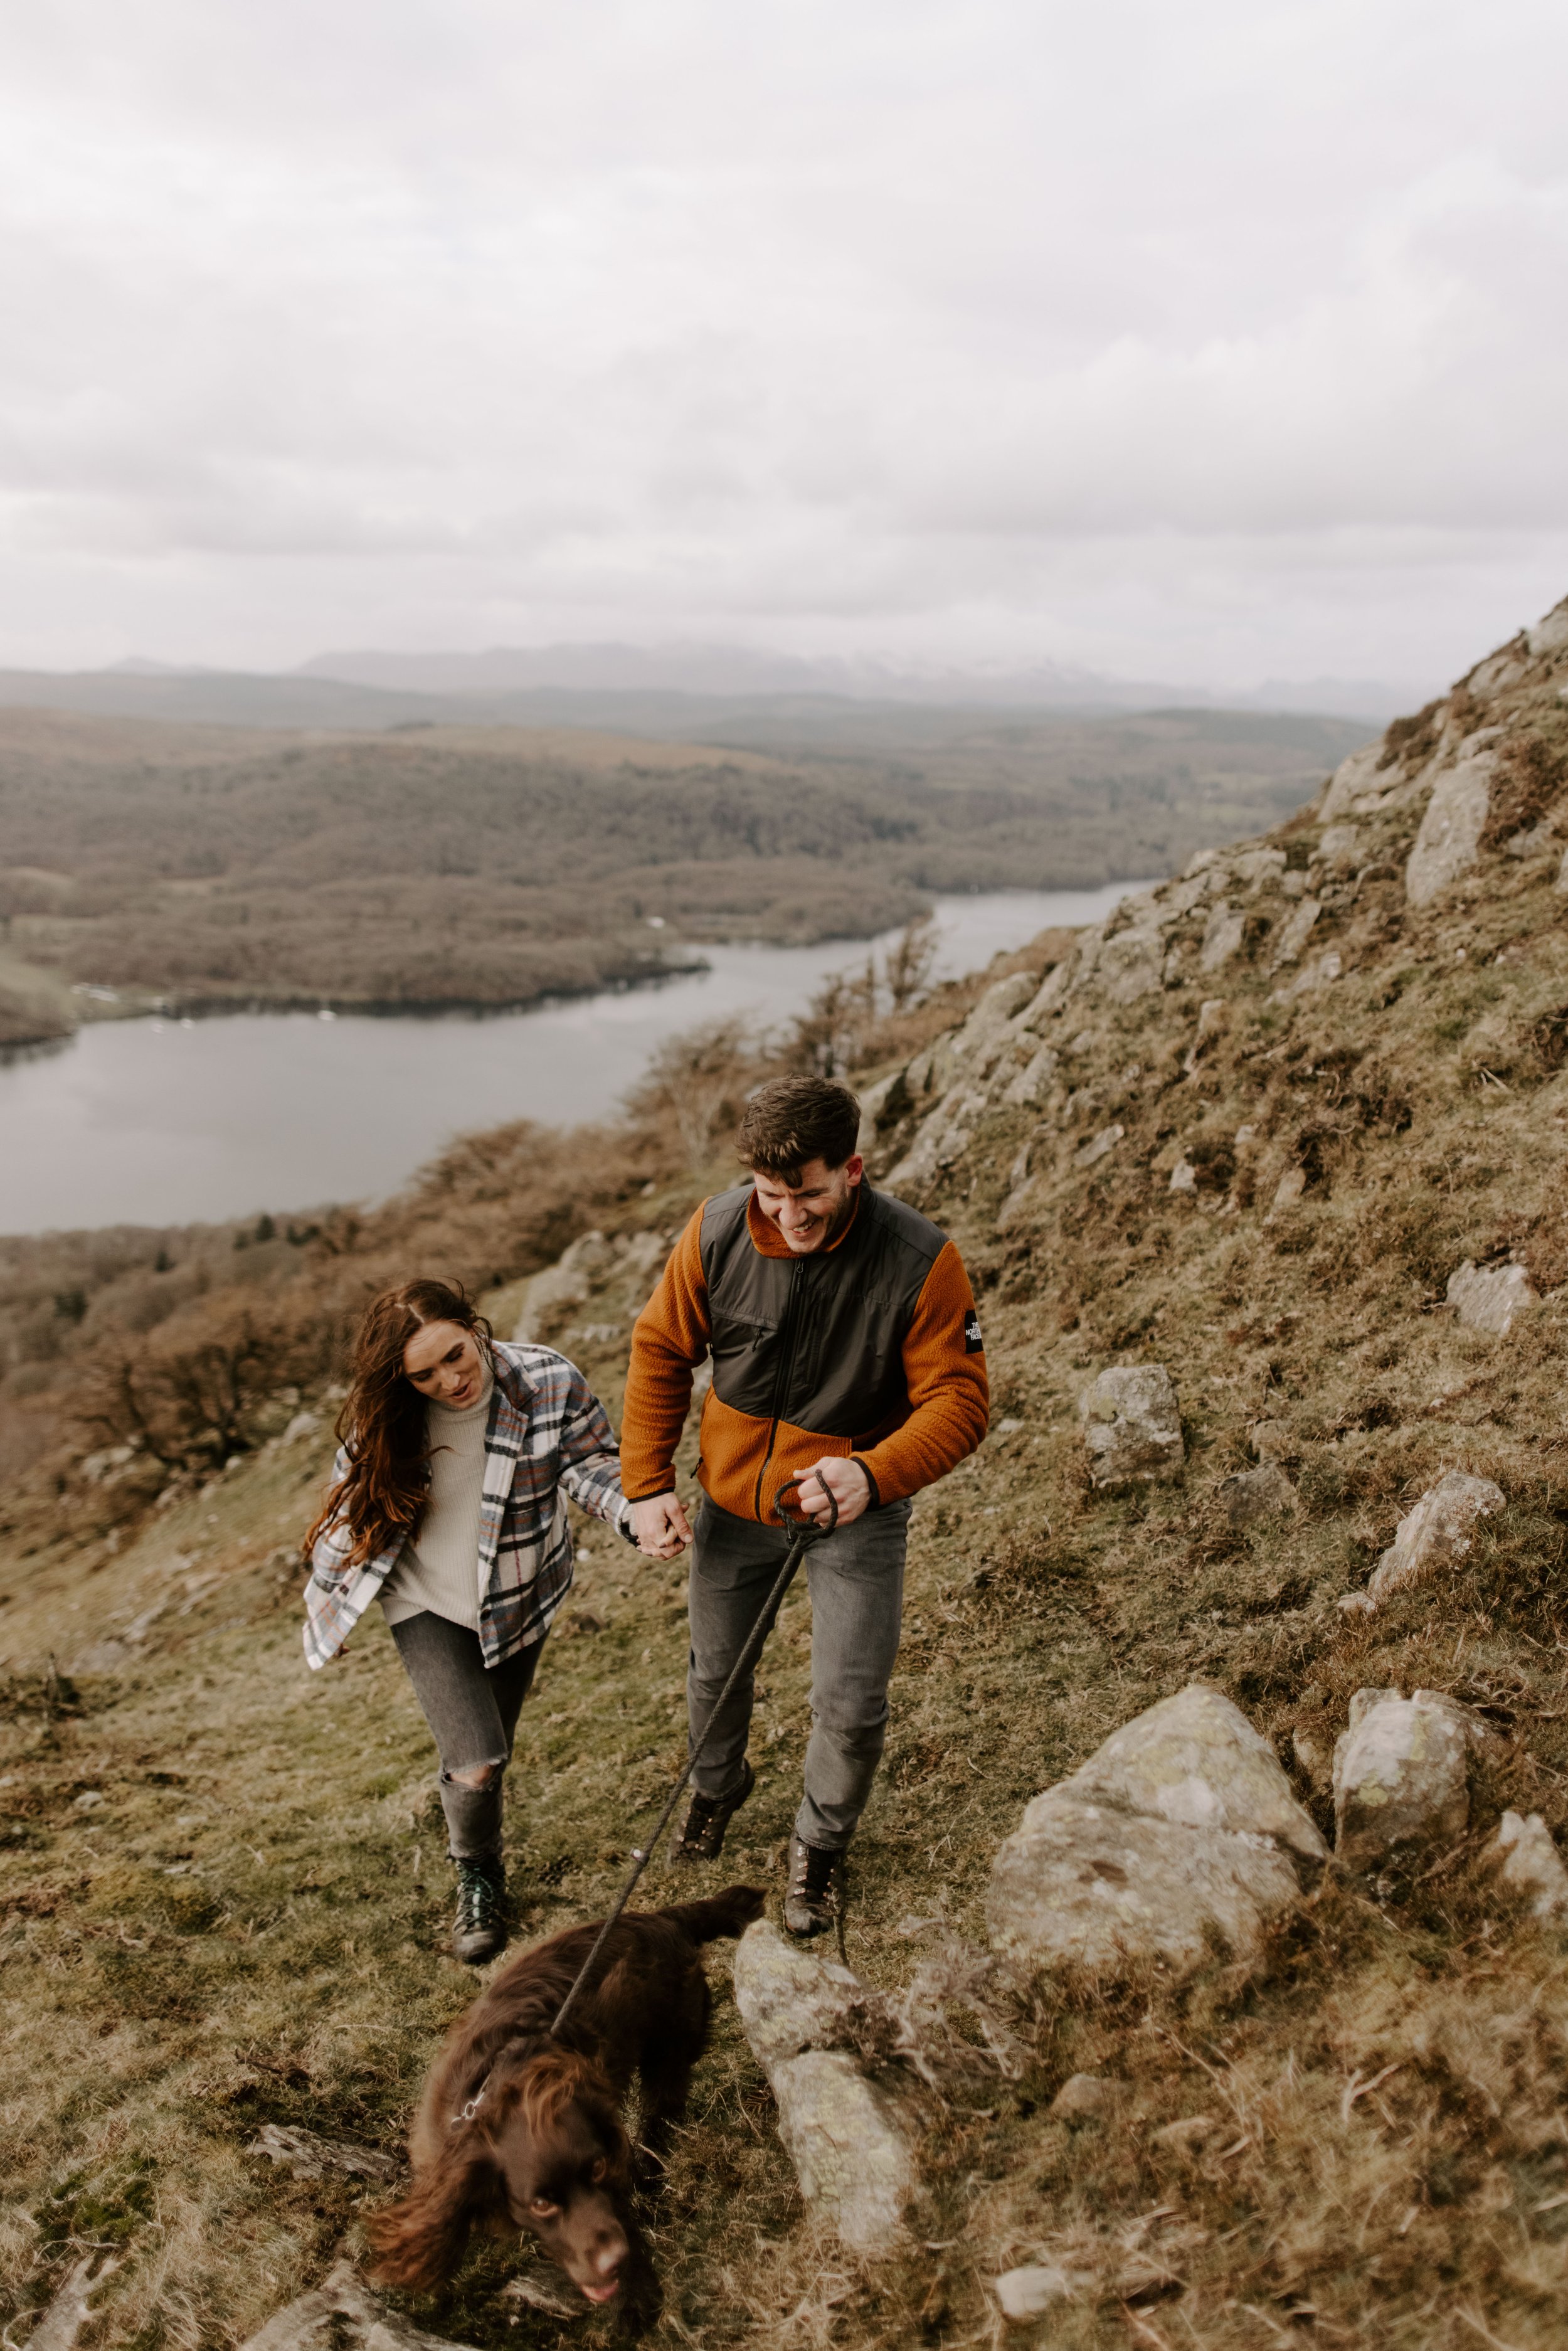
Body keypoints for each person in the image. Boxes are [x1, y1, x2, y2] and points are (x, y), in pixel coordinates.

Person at [619, 1073, 989, 1937]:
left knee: (851, 1703)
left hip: (853, 1511)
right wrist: (645, 1486)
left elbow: (961, 1401)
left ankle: (819, 1847)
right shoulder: (714, 1230)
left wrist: (874, 1473)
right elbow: (660, 1350)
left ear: (852, 1169)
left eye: (810, 1193)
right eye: (772, 1193)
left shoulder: (920, 1259)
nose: (789, 1214)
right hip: (731, 1508)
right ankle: (717, 1788)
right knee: (716, 1675)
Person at [302, 1278, 632, 1964]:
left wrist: (632, 1510)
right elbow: (347, 1516)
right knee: (477, 1761)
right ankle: (477, 1876)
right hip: (424, 1599)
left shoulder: (544, 1379)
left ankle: (464, 1814)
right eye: (423, 1374)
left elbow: (591, 1462)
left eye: (455, 1355)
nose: (449, 1380)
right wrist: (329, 1610)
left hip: (517, 1591)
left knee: (490, 1751)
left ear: (472, 1325)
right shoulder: (387, 1419)